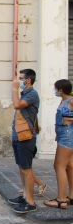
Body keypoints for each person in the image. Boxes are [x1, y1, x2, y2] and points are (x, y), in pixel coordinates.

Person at [8, 69, 40, 214]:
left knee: (27, 169)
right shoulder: (25, 93)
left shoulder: (32, 94)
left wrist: (14, 89)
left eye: (21, 78)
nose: (18, 81)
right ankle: (25, 196)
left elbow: (17, 105)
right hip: (19, 135)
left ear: (28, 80)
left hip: (26, 137)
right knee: (22, 168)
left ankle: (30, 202)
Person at [44, 79, 73, 209]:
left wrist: (70, 119)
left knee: (59, 166)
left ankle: (61, 200)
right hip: (63, 135)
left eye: (55, 88)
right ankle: (71, 196)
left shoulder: (71, 100)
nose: (54, 90)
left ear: (60, 90)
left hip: (68, 136)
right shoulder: (64, 101)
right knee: (69, 166)